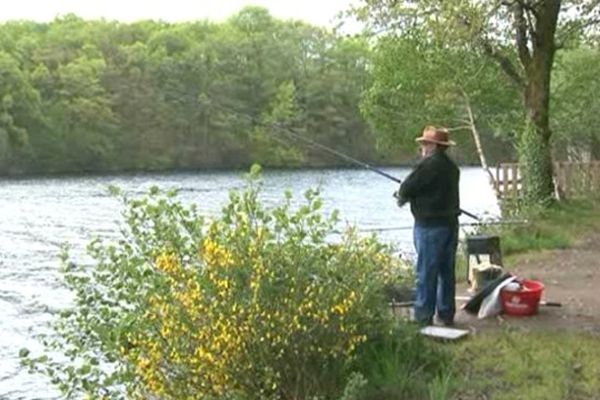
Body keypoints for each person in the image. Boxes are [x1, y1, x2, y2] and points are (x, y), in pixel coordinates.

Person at [395, 126, 460, 326]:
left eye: (425, 143)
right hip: (450, 225)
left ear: (434, 146)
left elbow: (407, 188)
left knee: (426, 272)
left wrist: (400, 197)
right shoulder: (452, 168)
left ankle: (423, 316)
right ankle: (446, 314)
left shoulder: (428, 166)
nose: (422, 147)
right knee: (446, 272)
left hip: (429, 227)